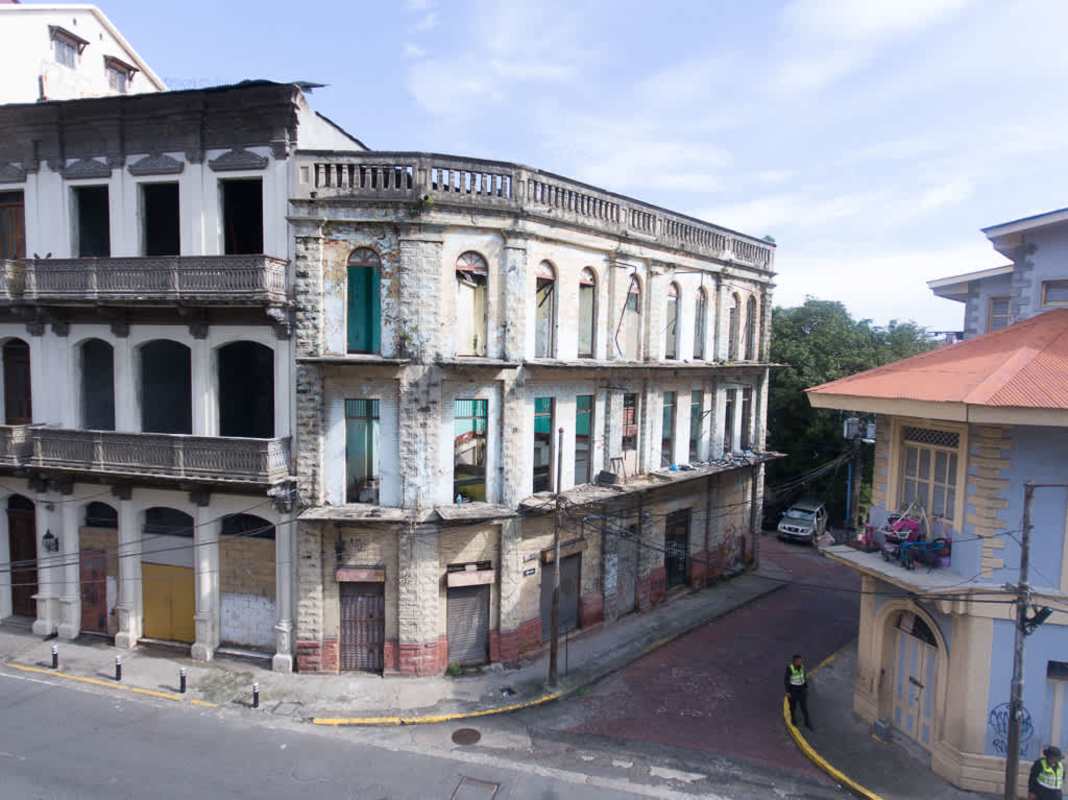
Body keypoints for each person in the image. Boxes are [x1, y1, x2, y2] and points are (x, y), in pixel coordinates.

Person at [784, 653, 813, 730]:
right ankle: (793, 720)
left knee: (804, 708)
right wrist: (787, 691)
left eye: (800, 660)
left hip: (802, 690)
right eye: (798, 661)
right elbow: (786, 680)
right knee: (793, 707)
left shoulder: (802, 667)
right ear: (794, 661)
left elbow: (803, 676)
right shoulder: (790, 668)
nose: (800, 662)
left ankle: (807, 722)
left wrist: (806, 688)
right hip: (793, 690)